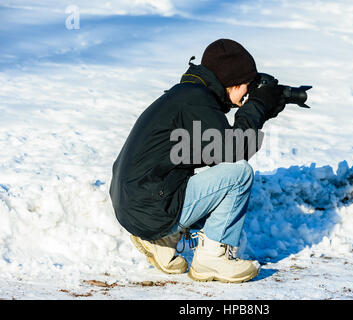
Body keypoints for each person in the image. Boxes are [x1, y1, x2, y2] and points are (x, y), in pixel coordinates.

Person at [109, 39, 286, 283]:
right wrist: (257, 105)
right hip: (151, 207)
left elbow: (213, 154)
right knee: (240, 174)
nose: (247, 93)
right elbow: (235, 151)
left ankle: (162, 240)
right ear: (233, 83)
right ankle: (212, 258)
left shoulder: (185, 96)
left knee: (223, 177)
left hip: (134, 205)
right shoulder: (196, 100)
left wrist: (261, 109)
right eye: (247, 85)